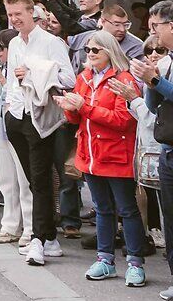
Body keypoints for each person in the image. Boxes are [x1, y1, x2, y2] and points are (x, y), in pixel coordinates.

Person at [59, 30, 145, 286]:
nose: (90, 54)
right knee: (103, 210)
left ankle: (135, 262)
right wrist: (69, 108)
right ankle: (105, 259)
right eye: (87, 50)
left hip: (116, 155)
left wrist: (82, 107)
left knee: (127, 210)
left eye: (96, 50)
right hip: (91, 155)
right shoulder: (84, 77)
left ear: (110, 52)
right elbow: (77, 119)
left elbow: (123, 121)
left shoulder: (123, 79)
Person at [1, 0, 75, 266]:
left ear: (32, 12)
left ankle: (39, 240)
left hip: (39, 115)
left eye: (18, 14)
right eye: (10, 15)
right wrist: (9, 108)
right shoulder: (16, 43)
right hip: (16, 114)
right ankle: (49, 236)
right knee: (34, 179)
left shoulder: (51, 42)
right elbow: (11, 80)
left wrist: (34, 71)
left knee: (41, 178)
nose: (15, 19)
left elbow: (69, 78)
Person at [133, 0, 173, 301]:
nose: (152, 32)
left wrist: (155, 80)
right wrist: (150, 80)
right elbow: (152, 105)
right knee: (169, 218)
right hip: (167, 147)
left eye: (156, 25)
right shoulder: (167, 60)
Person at [0, 30, 34, 246]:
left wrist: (3, 79)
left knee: (24, 180)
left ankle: (30, 228)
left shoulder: (22, 68)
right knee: (5, 179)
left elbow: (22, 93)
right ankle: (10, 224)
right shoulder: (1, 67)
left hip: (20, 127)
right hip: (0, 127)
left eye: (1, 49)